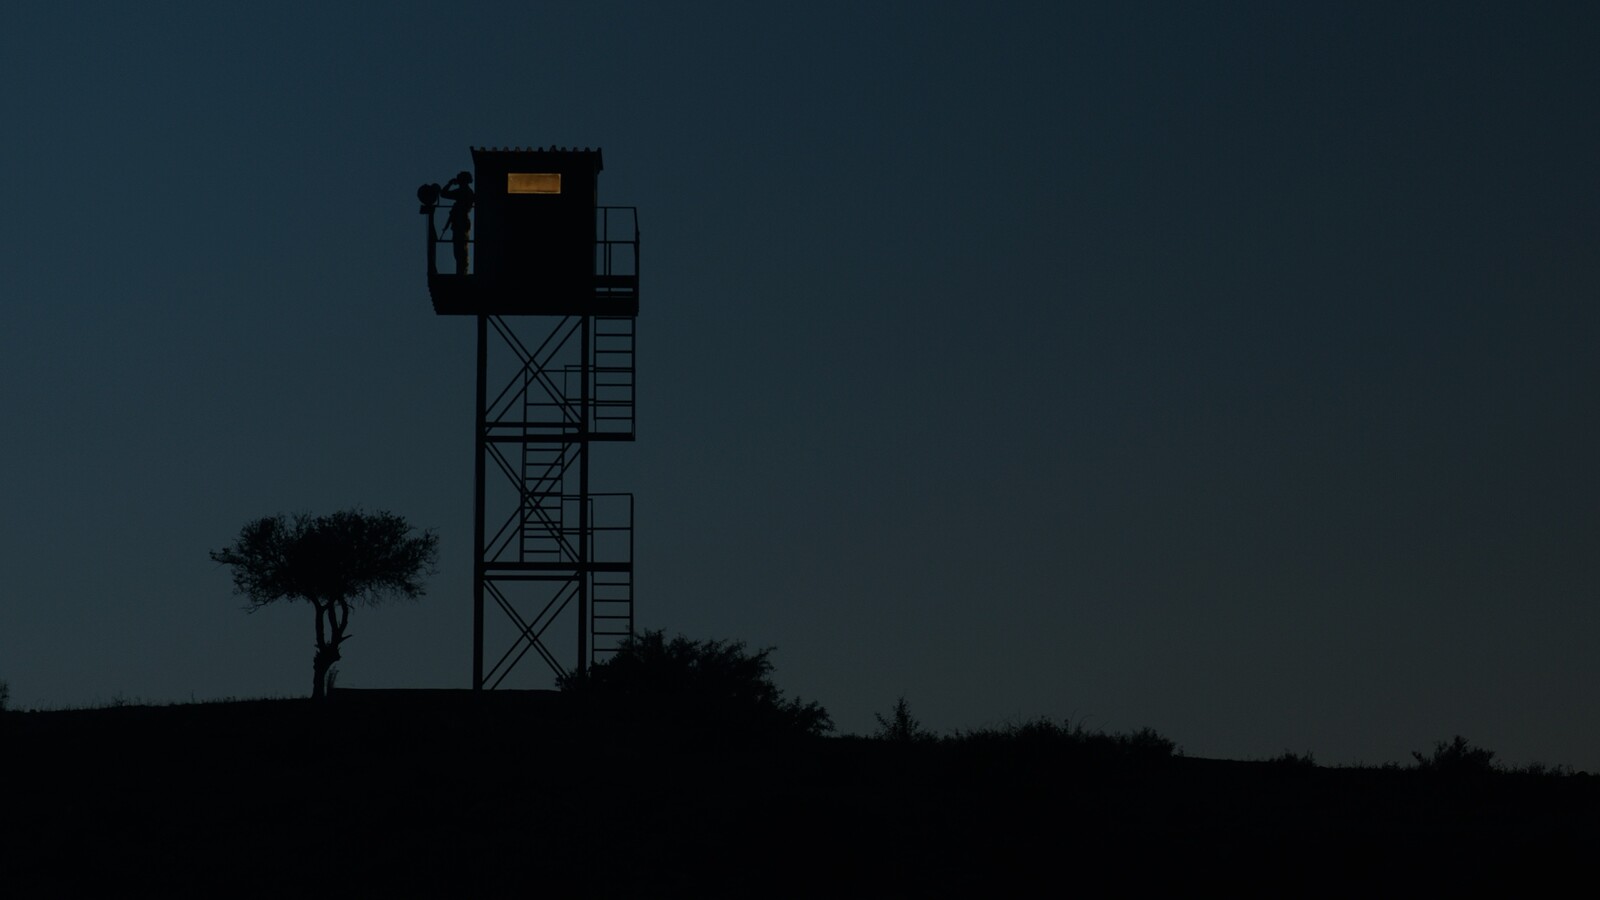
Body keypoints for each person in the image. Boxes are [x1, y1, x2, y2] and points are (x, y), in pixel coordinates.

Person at [440, 171, 475, 275]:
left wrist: (450, 183)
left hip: (461, 221)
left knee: (460, 249)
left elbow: (443, 194)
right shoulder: (467, 191)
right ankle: (462, 271)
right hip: (461, 221)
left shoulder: (462, 192)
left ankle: (461, 272)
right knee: (461, 248)